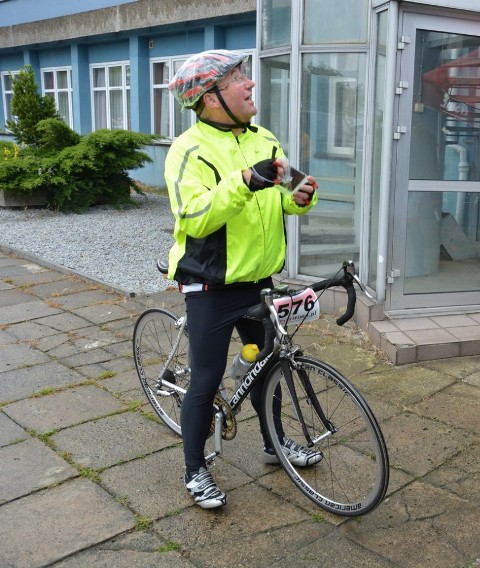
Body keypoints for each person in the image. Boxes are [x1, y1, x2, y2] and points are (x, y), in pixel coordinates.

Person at [164, 49, 321, 509]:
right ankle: (195, 470)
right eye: (238, 78)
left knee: (267, 366)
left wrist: (302, 196)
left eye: (245, 75)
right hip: (211, 284)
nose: (250, 84)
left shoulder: (264, 139)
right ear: (211, 98)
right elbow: (194, 218)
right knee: (208, 378)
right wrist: (244, 182)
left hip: (260, 280)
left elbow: (285, 196)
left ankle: (274, 445)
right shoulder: (187, 150)